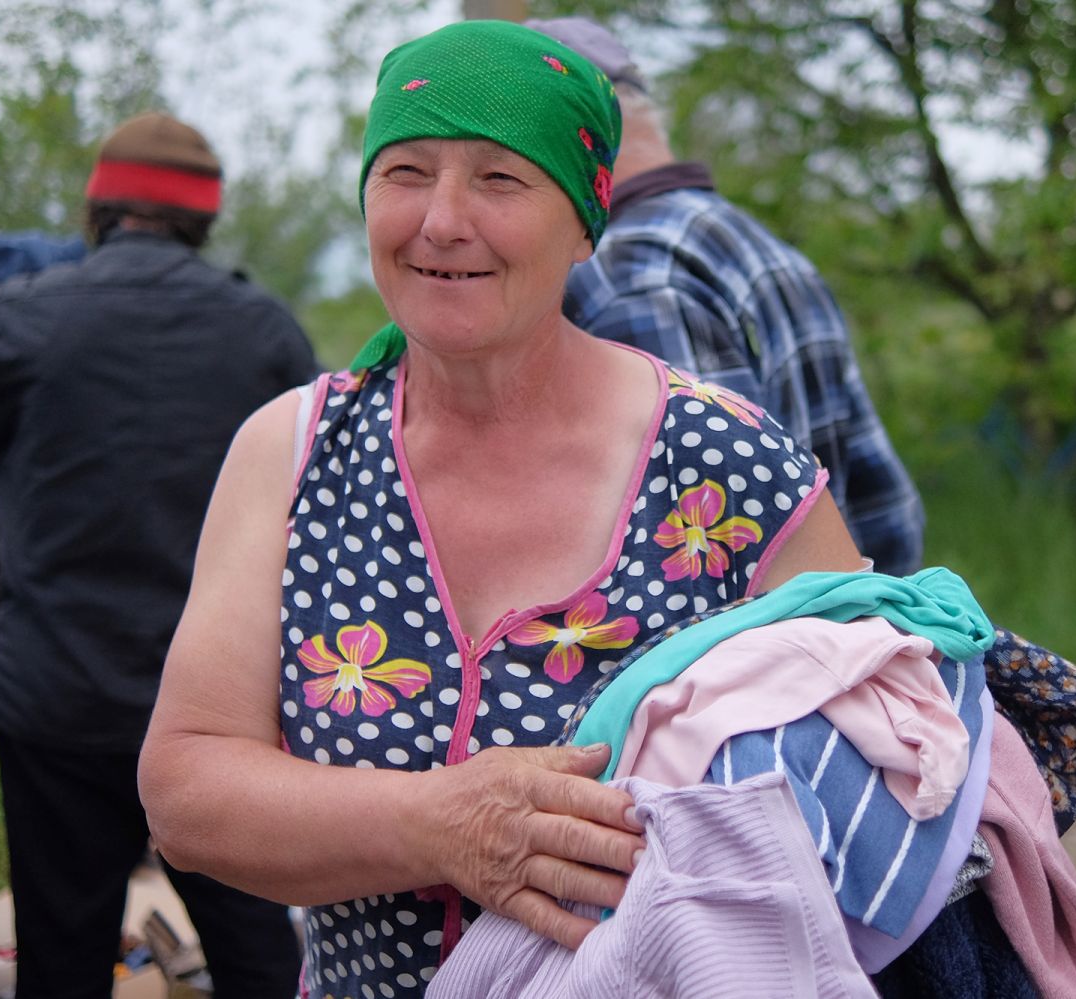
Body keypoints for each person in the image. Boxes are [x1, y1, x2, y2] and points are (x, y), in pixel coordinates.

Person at [137, 20, 866, 998]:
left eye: (500, 178)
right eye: (405, 172)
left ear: (584, 222)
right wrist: (438, 823)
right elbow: (187, 792)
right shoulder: (296, 451)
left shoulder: (724, 466)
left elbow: (872, 778)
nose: (442, 220)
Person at [0, 111, 318, 998]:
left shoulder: (29, 316)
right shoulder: (266, 331)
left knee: (62, 955)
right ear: (203, 218)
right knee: (260, 951)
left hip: (57, 699)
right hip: (222, 707)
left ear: (98, 208)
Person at [528, 17, 926, 578]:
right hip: (834, 613)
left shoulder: (625, 276)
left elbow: (704, 559)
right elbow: (886, 509)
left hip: (756, 629)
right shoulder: (751, 240)